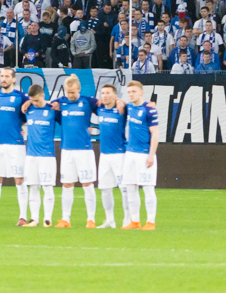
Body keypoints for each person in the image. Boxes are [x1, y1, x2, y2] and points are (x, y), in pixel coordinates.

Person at [0, 67, 28, 225]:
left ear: (13, 79)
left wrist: (20, 125)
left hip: (15, 144)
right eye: (2, 76)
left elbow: (28, 113)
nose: (4, 79)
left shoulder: (21, 96)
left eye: (7, 76)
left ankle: (23, 217)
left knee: (19, 179)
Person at [51, 75, 96, 227]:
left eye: (73, 92)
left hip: (84, 149)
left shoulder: (88, 102)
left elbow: (105, 107)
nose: (70, 95)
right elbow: (48, 106)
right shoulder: (61, 102)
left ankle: (91, 219)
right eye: (68, 92)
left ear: (79, 89)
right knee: (67, 184)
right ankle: (65, 219)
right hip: (66, 149)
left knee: (87, 184)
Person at [121, 80, 160, 230]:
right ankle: (135, 221)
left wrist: (151, 155)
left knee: (148, 188)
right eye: (129, 92)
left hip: (144, 154)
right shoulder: (129, 107)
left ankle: (150, 222)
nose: (131, 95)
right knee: (130, 187)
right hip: (130, 153)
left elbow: (155, 133)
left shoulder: (149, 110)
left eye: (134, 92)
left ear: (141, 93)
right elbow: (119, 102)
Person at [21, 87, 58, 227]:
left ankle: (47, 219)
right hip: (31, 155)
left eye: (37, 100)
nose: (35, 103)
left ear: (43, 95)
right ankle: (34, 219)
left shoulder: (52, 110)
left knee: (47, 187)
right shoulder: (28, 109)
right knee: (33, 187)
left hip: (47, 155)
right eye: (32, 100)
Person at [93, 84, 128, 231]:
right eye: (103, 93)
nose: (104, 95)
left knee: (124, 188)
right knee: (105, 189)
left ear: (115, 95)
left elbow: (135, 106)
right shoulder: (99, 109)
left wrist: (120, 101)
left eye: (108, 93)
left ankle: (127, 220)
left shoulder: (122, 109)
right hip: (104, 155)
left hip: (120, 154)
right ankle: (109, 220)